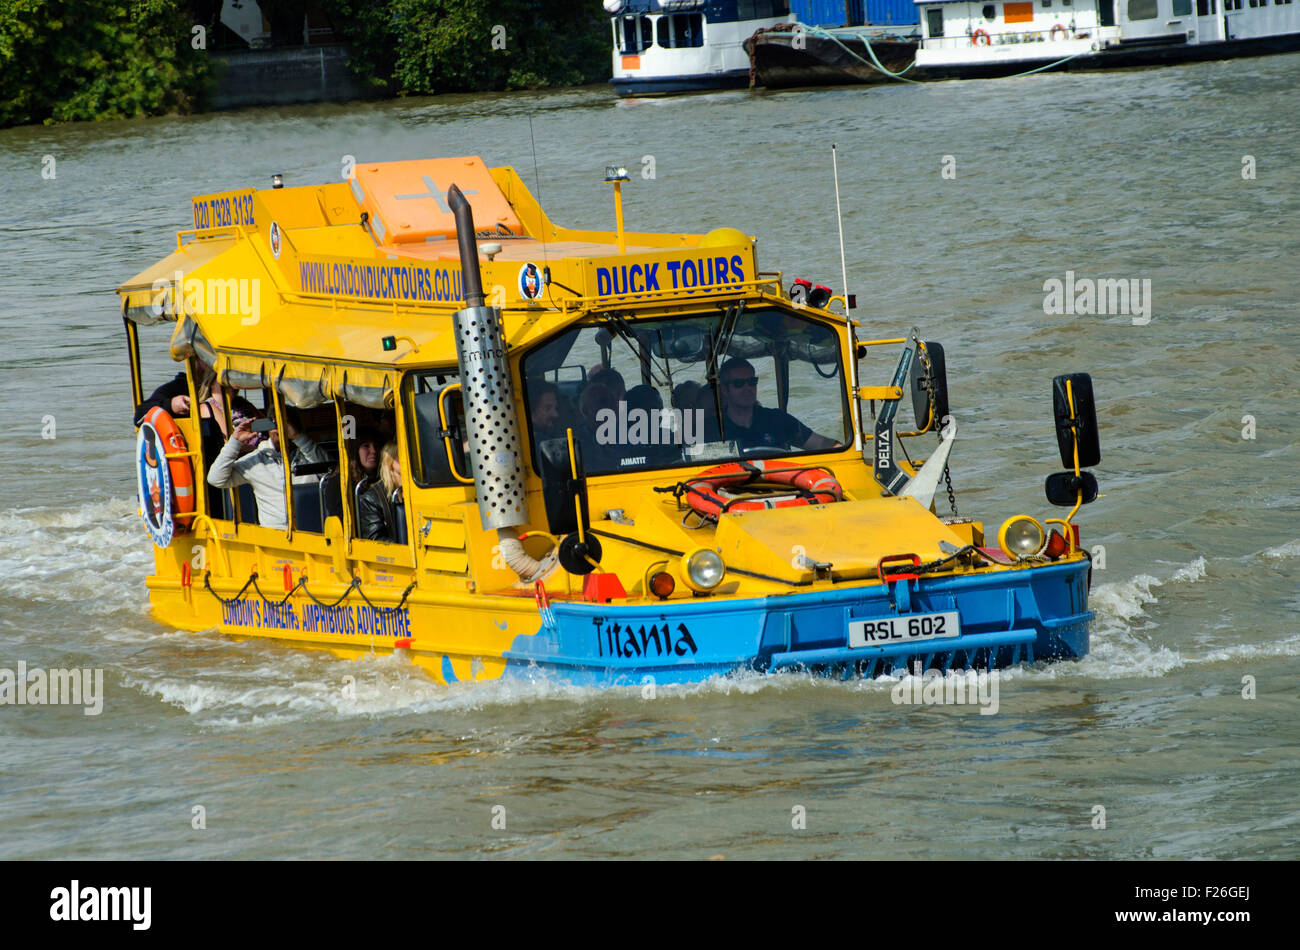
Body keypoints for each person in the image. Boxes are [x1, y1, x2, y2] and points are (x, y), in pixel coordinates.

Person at [206, 405, 326, 530]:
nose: (279, 429)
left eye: (286, 423)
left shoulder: (311, 454)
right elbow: (216, 479)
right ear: (267, 427)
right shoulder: (257, 460)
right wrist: (235, 442)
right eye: (273, 423)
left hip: (314, 529)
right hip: (275, 535)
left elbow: (334, 473)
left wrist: (298, 437)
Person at [710, 357, 840, 451]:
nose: (747, 388)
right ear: (724, 390)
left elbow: (819, 444)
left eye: (752, 381)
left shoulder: (778, 420)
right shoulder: (710, 428)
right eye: (739, 383)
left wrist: (842, 449)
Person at [358, 441, 403, 542]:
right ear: (390, 461)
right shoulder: (372, 498)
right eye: (401, 455)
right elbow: (375, 540)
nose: (408, 459)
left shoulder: (421, 488)